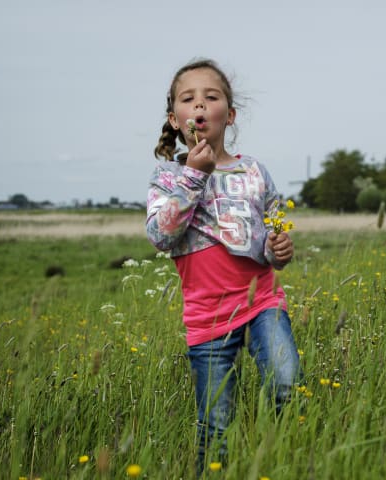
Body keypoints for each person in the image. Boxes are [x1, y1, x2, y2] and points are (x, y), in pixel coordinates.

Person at [146, 58, 301, 472]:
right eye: (188, 98)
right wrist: (195, 176)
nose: (199, 105)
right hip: (208, 317)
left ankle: (278, 460)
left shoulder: (254, 171)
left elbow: (274, 233)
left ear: (228, 115)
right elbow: (162, 235)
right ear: (175, 119)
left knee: (285, 382)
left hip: (261, 303)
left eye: (210, 97)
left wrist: (280, 249)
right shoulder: (168, 177)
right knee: (216, 425)